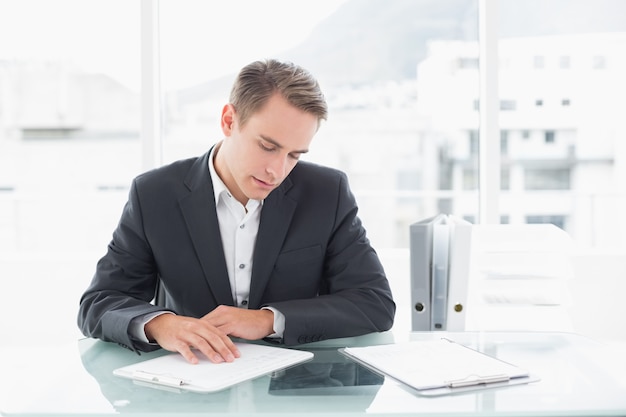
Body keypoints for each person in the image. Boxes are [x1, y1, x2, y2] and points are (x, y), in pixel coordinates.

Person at [77, 59, 395, 365]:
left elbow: (374, 302)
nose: (277, 170)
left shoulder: (327, 192)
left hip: (295, 387)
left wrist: (267, 320)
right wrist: (160, 325)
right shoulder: (155, 194)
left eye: (294, 155)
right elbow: (99, 302)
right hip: (193, 382)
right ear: (229, 121)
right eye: (267, 147)